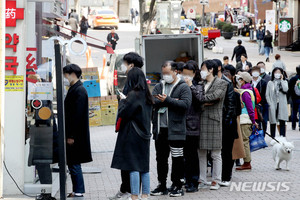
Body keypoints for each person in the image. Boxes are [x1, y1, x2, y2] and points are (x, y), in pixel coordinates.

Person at [111, 67, 153, 200]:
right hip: (145, 133)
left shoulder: (133, 95)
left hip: (133, 134)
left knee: (133, 166)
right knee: (144, 166)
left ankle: (134, 195)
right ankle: (145, 195)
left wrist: (123, 100)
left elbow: (124, 112)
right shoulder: (147, 93)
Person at [151, 61, 192, 197]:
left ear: (176, 72)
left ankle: (177, 185)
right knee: (161, 159)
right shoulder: (159, 85)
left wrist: (168, 100)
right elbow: (153, 100)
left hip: (176, 130)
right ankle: (162, 184)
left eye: (168, 73)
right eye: (163, 73)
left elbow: (185, 104)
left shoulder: (183, 87)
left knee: (177, 158)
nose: (165, 76)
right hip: (160, 129)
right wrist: (167, 100)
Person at [63, 64, 93, 198]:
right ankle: (77, 190)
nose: (65, 77)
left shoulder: (79, 90)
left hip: (75, 135)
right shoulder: (75, 89)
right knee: (73, 162)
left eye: (65, 74)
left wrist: (71, 135)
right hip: (75, 133)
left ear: (72, 74)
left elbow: (77, 115)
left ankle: (79, 191)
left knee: (74, 163)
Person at [198, 60, 228, 190]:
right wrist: (204, 101)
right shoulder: (200, 83)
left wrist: (201, 100)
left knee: (216, 153)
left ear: (211, 69)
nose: (201, 71)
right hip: (201, 120)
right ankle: (202, 179)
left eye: (203, 68)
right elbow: (196, 98)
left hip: (214, 121)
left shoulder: (222, 83)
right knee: (201, 152)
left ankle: (216, 179)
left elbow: (216, 96)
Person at [182, 60, 204, 193]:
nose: (185, 76)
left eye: (188, 73)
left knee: (192, 155)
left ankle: (194, 181)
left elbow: (200, 100)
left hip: (193, 125)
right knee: (184, 155)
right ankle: (186, 179)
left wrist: (190, 85)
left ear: (194, 73)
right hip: (182, 125)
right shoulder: (180, 84)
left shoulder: (199, 85)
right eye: (183, 73)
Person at [214, 59, 236, 187]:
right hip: (215, 121)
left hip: (225, 123)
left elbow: (231, 105)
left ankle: (226, 177)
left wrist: (225, 122)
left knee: (226, 151)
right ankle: (218, 176)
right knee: (216, 152)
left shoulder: (227, 83)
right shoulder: (209, 82)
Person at [235, 72, 258, 171]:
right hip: (246, 119)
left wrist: (253, 121)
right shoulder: (249, 90)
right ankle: (246, 162)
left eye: (239, 79)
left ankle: (247, 162)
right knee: (245, 141)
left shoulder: (245, 93)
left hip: (244, 120)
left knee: (244, 142)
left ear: (243, 80)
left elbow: (250, 109)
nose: (238, 81)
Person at [266, 67, 289, 138]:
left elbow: (285, 89)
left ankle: (283, 137)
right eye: (276, 72)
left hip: (282, 104)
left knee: (282, 121)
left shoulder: (284, 82)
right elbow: (267, 95)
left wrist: (282, 80)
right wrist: (270, 104)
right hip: (273, 104)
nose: (277, 74)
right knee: (273, 121)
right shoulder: (270, 83)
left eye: (279, 72)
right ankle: (273, 137)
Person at [251, 66, 268, 133]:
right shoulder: (249, 81)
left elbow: (264, 94)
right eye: (254, 71)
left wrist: (261, 103)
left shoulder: (263, 82)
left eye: (257, 71)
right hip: (251, 104)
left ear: (260, 72)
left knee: (262, 120)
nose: (255, 73)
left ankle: (261, 135)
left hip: (260, 104)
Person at [289, 66, 300, 131]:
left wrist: (291, 96)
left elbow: (290, 88)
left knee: (294, 111)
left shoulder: (293, 79)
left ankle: (293, 125)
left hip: (294, 98)